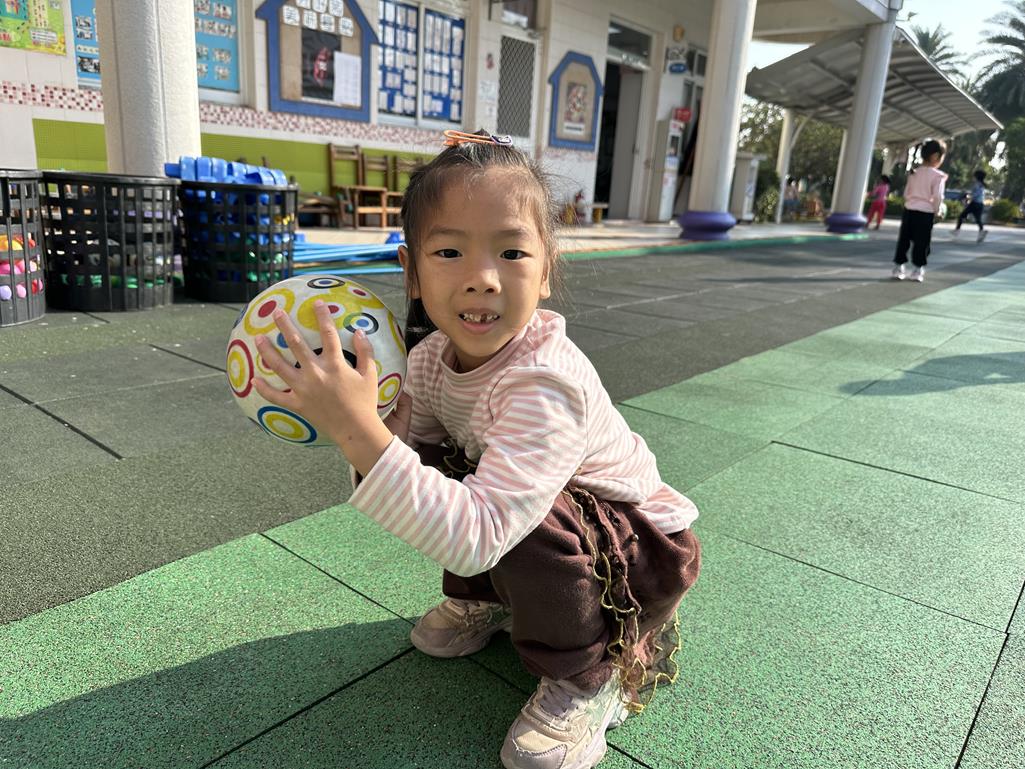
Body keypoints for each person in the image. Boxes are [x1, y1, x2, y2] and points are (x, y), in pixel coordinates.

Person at [251, 130, 701, 769]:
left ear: (545, 272)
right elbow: (417, 471)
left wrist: (358, 433)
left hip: (636, 557)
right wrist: (380, 425)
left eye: (511, 251)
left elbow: (482, 532)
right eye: (449, 252)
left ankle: (588, 674)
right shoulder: (430, 359)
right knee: (438, 466)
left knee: (521, 519)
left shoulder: (544, 383)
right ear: (411, 272)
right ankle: (489, 601)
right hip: (543, 524)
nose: (482, 279)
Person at [892, 139, 947, 283]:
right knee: (922, 242)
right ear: (935, 156)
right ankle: (917, 269)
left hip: (909, 210)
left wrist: (910, 202)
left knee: (904, 240)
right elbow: (937, 196)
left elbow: (906, 193)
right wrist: (937, 211)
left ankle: (898, 267)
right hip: (925, 213)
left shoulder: (914, 172)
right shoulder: (938, 176)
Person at [953, 169, 987, 243]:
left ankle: (957, 230)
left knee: (961, 216)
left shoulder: (977, 184)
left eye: (974, 176)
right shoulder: (982, 185)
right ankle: (982, 232)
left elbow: (976, 194)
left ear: (977, 176)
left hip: (975, 203)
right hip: (980, 204)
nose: (973, 177)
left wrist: (968, 197)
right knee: (978, 219)